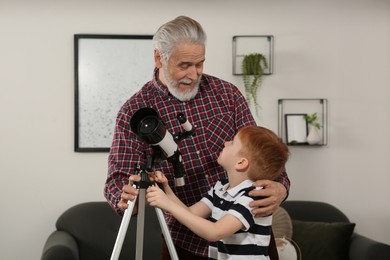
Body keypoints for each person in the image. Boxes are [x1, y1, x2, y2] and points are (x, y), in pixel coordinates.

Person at [104, 15, 291, 259]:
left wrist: (281, 187)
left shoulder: (227, 94)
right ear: (159, 57)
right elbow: (117, 180)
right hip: (186, 242)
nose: (193, 75)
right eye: (184, 65)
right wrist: (127, 195)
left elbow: (261, 151)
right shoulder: (135, 111)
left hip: (248, 243)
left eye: (199, 64)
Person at [146, 125, 289, 259]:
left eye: (232, 143)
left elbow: (215, 232)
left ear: (241, 163)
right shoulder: (220, 188)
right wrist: (166, 189)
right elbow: (190, 213)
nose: (226, 142)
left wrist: (168, 205)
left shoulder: (252, 197)